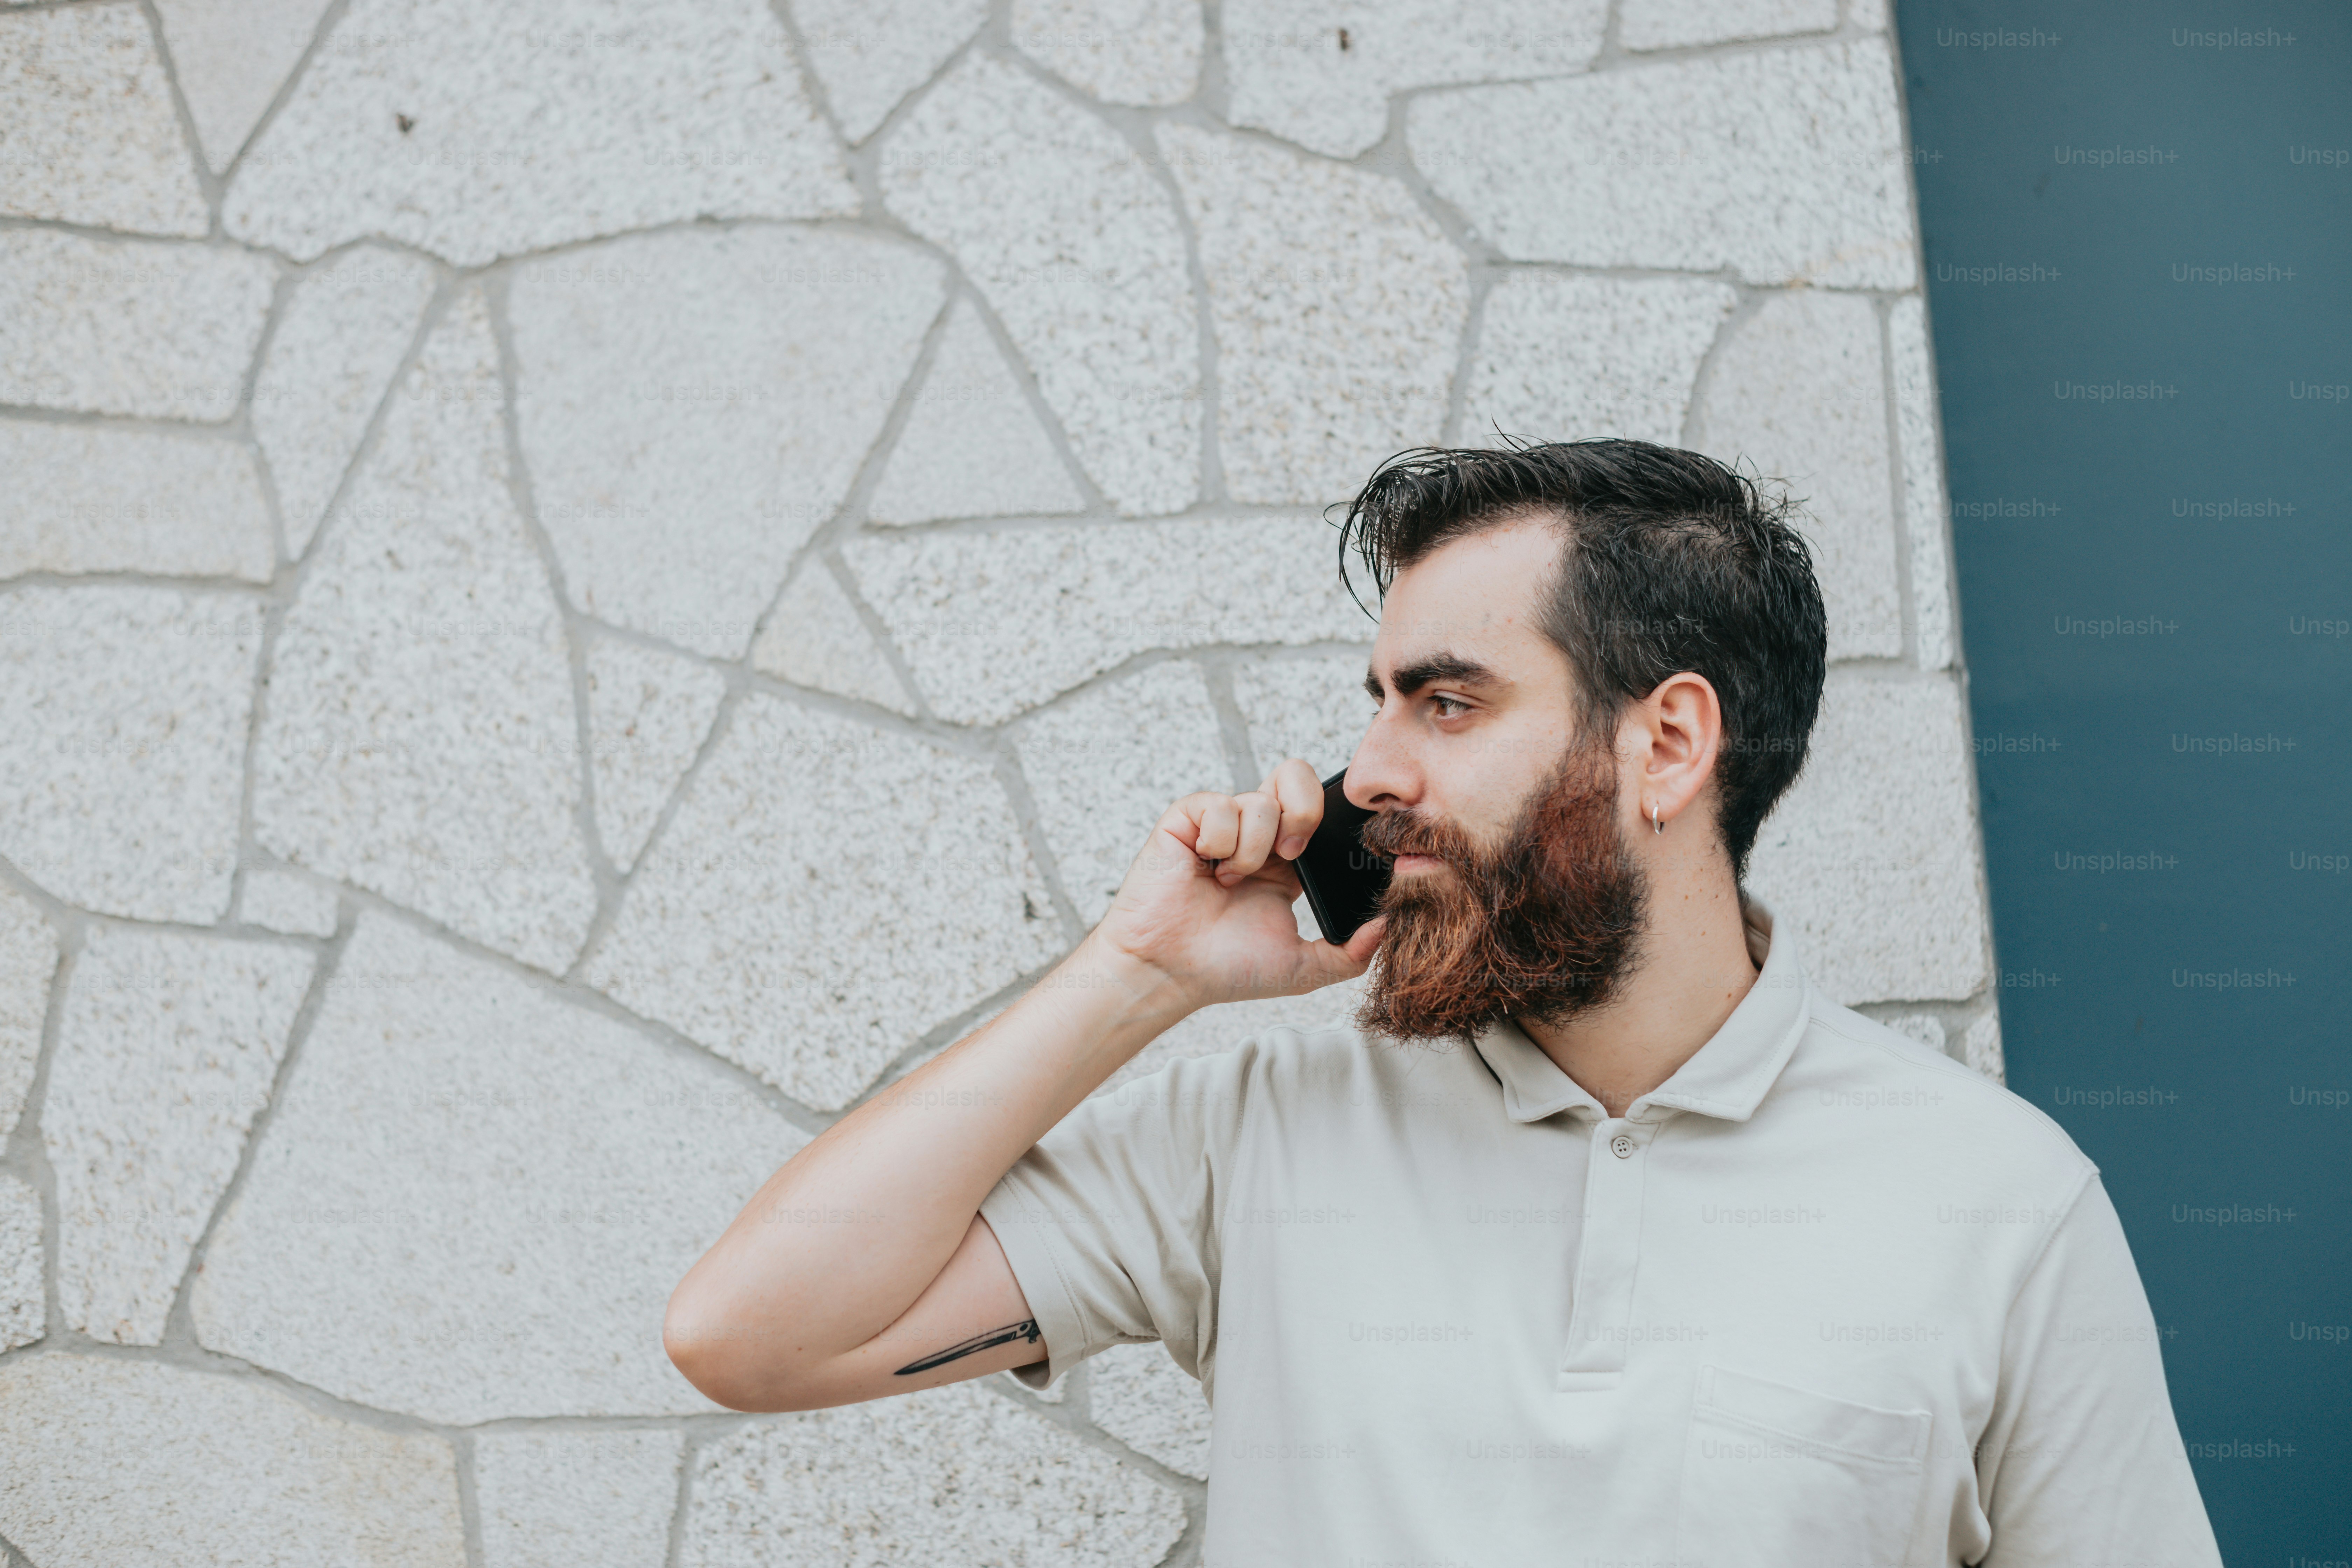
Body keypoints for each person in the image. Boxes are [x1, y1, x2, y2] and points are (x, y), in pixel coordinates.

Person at [664, 439, 2222, 1566]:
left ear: (1668, 744)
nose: (1370, 774)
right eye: (1380, 702)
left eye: (1449, 701)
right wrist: (1137, 979)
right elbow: (750, 1335)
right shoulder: (1255, 1131)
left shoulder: (2000, 1205)